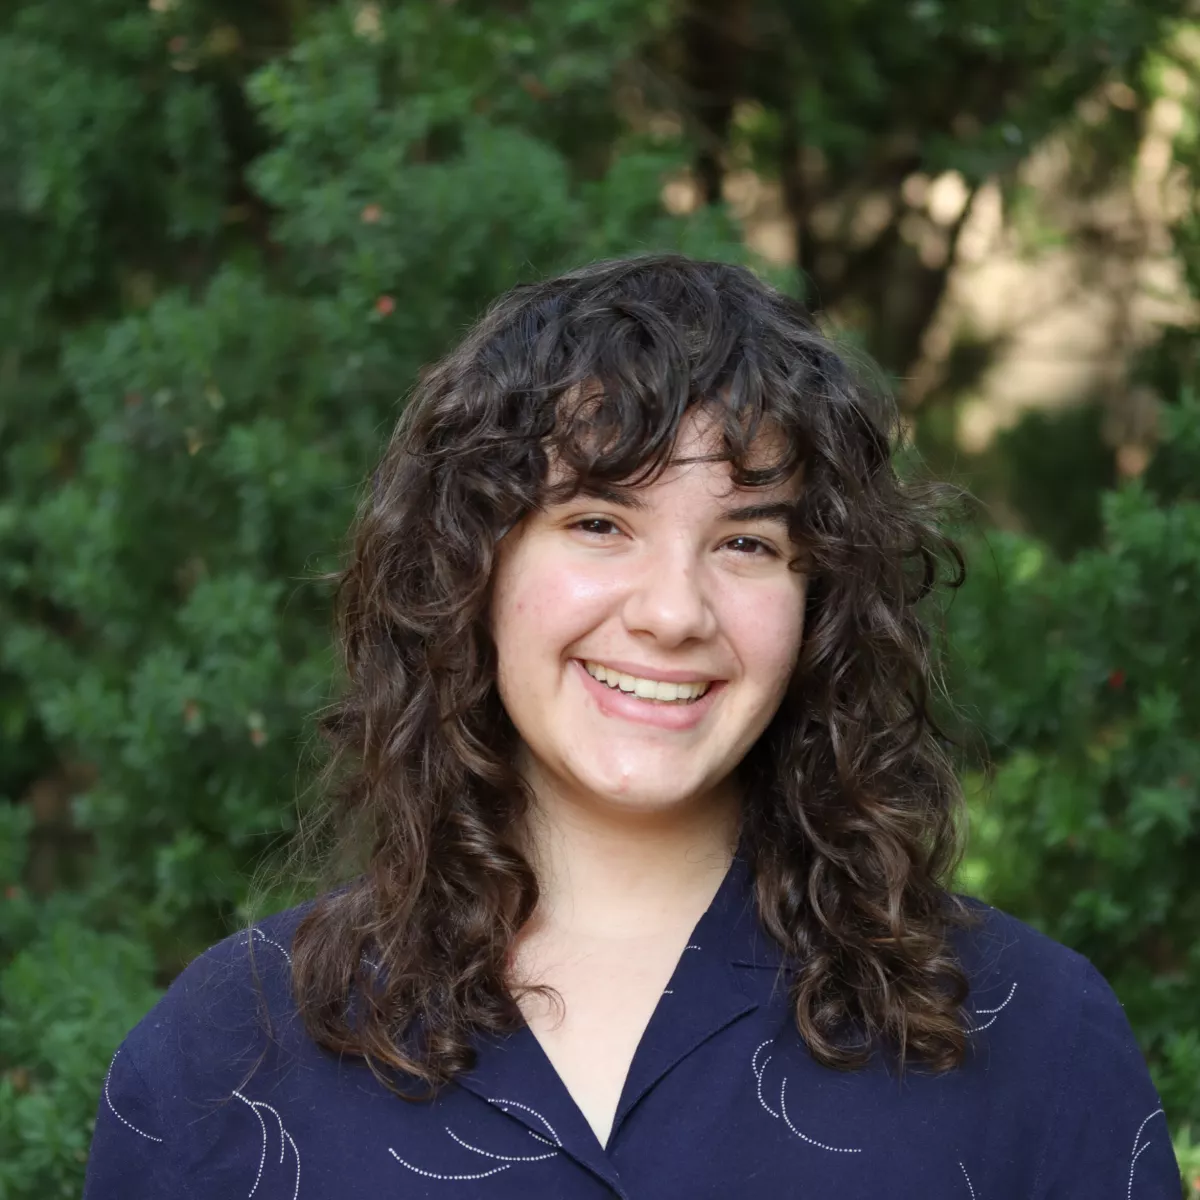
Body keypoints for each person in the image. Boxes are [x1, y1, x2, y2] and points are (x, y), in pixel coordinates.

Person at [83, 256, 1182, 1199]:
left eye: (747, 542)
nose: (672, 611)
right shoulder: (224, 1058)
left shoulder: (1027, 1033)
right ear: (470, 569)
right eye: (600, 522)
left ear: (821, 602)